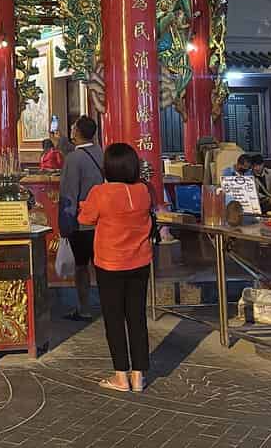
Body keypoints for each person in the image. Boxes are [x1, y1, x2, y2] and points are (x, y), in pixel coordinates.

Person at [78, 142, 153, 392]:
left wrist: (82, 205)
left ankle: (121, 376)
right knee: (137, 317)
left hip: (110, 263)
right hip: (140, 262)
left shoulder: (101, 192)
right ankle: (138, 375)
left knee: (114, 319)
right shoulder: (143, 191)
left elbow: (85, 218)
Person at [58, 115, 104, 321]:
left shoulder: (73, 159)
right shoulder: (101, 153)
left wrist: (65, 225)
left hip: (82, 222)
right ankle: (108, 305)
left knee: (81, 266)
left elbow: (69, 193)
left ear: (76, 132)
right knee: (102, 266)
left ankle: (84, 307)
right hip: (102, 222)